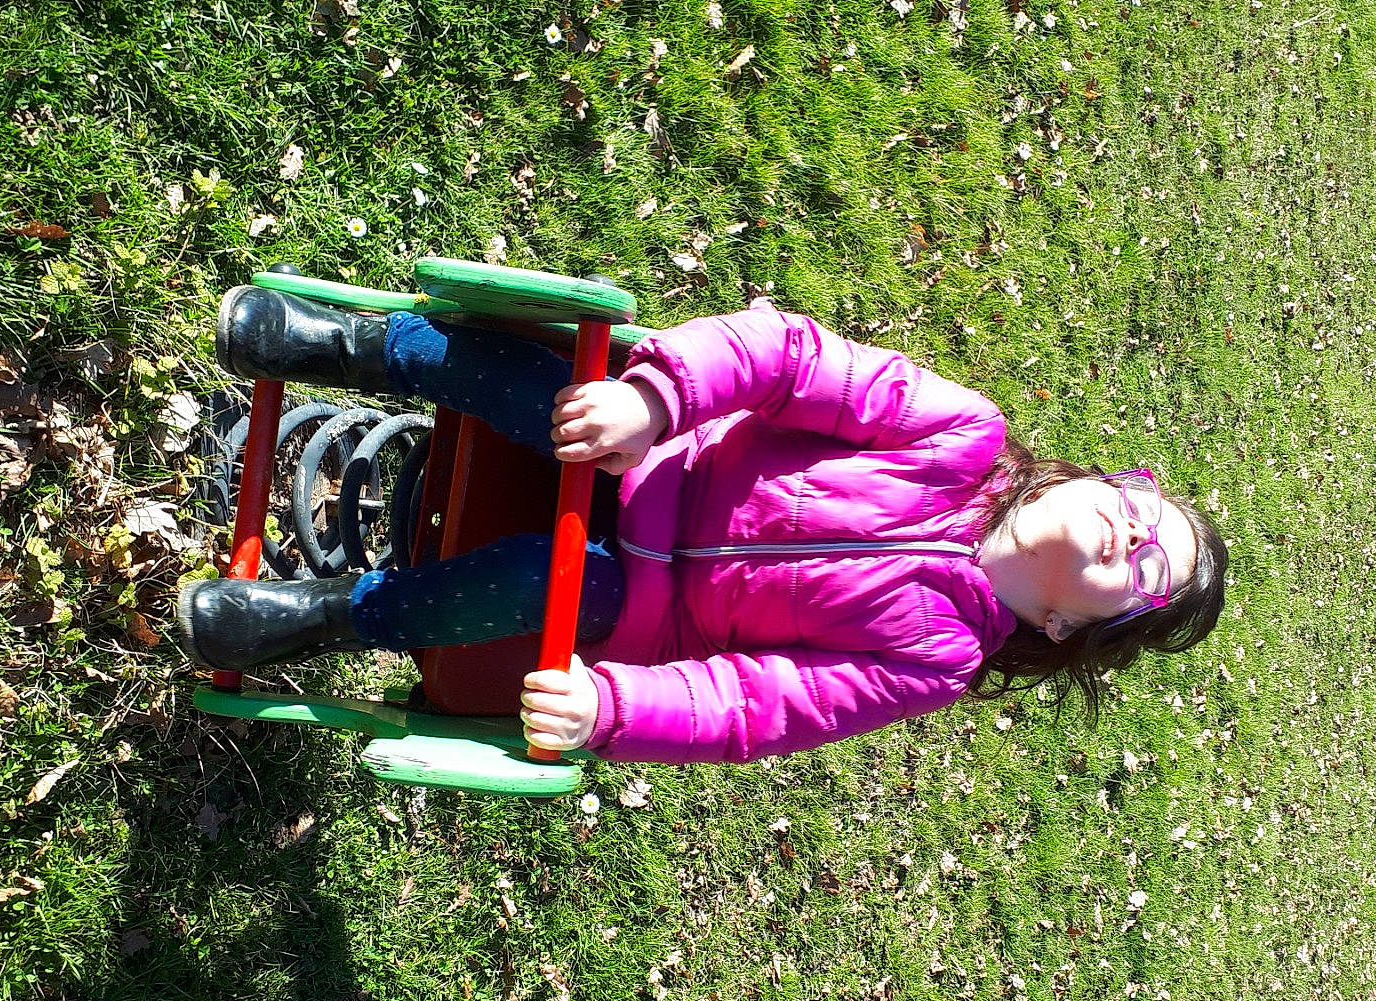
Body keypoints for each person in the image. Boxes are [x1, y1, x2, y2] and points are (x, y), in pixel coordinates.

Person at [177, 287, 1227, 764]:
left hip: (639, 603)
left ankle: (331, 615)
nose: (1130, 537)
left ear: (1067, 627)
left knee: (555, 581)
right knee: (556, 399)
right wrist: (655, 403)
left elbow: (757, 705)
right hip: (652, 453)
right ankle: (349, 346)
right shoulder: (958, 437)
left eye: (1147, 571)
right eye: (1143, 513)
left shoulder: (934, 658)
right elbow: (791, 360)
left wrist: (612, 708)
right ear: (1105, 482)